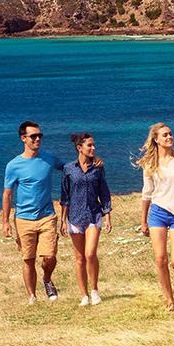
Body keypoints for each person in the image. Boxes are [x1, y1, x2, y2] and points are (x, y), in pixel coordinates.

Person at [2, 121, 62, 305]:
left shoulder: (48, 158)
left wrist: (90, 160)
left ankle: (47, 279)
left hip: (47, 216)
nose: (37, 139)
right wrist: (5, 222)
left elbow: (68, 168)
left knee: (49, 257)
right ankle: (32, 297)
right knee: (28, 259)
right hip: (23, 219)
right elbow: (7, 193)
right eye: (33, 136)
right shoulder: (13, 165)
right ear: (23, 139)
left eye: (40, 136)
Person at [137, 123, 174, 311]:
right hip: (158, 213)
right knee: (160, 258)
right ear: (156, 139)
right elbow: (147, 194)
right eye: (165, 135)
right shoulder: (149, 163)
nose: (169, 137)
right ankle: (169, 299)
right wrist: (143, 220)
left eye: (170, 134)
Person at [59, 132, 112, 307]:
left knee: (90, 253)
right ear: (79, 148)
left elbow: (104, 191)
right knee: (80, 258)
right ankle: (84, 295)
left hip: (93, 214)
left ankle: (95, 290)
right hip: (74, 216)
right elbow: (65, 196)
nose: (93, 148)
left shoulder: (98, 167)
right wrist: (62, 220)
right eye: (89, 145)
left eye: (94, 145)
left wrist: (108, 215)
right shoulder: (68, 169)